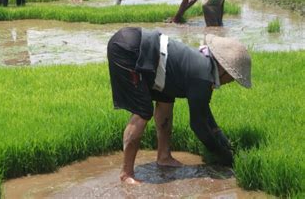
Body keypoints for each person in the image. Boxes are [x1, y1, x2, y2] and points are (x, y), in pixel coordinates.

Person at [107, 27, 252, 184]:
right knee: (143, 112)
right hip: (130, 49)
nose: (229, 82)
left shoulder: (203, 65)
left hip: (158, 64)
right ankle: (126, 173)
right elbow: (198, 124)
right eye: (232, 77)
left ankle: (164, 157)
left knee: (166, 105)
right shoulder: (203, 77)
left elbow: (203, 109)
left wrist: (219, 134)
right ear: (224, 69)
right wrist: (222, 154)